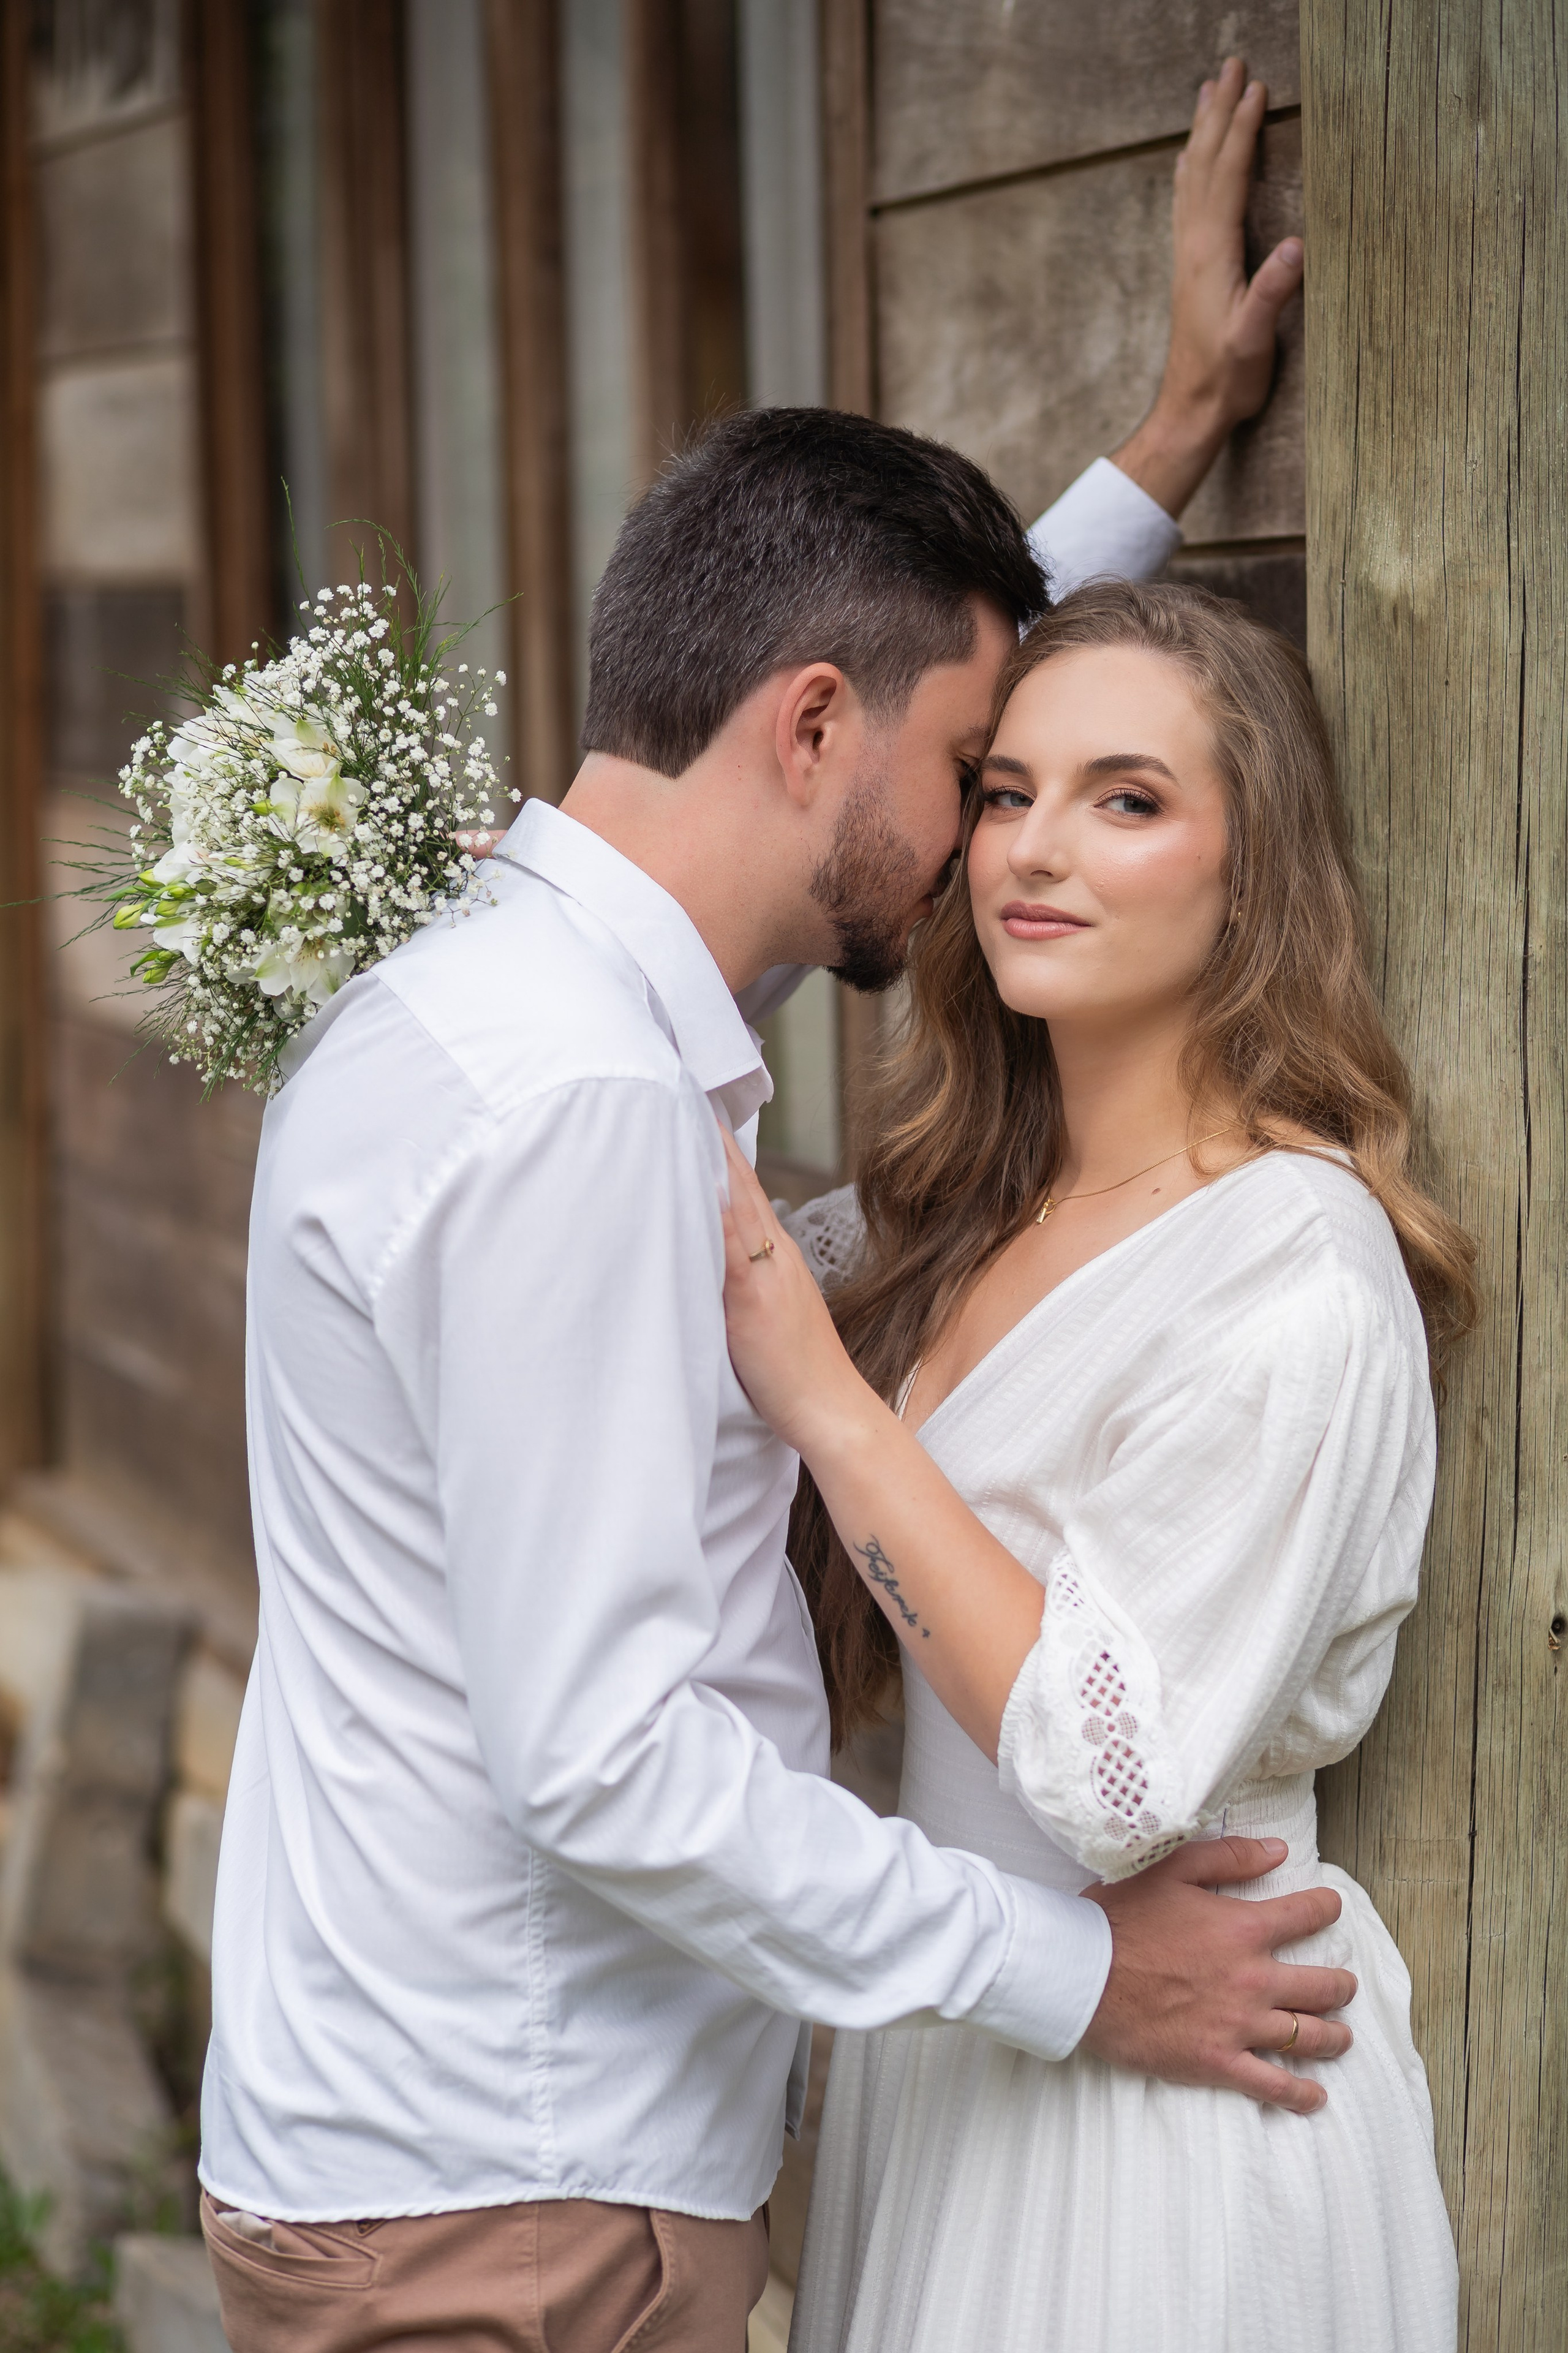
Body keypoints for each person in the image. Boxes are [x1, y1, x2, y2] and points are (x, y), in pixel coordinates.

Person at [198, 64, 1335, 2353]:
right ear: (810, 726)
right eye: (981, 780)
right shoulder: (581, 1107)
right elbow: (612, 1758)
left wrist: (1171, 438)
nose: (1002, 838)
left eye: (1071, 794)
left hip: (449, 2147)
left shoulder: (505, 994)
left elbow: (907, 675)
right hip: (518, 2212)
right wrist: (1075, 1972)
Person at [718, 580, 1475, 2352]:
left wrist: (837, 1409)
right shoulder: (953, 1213)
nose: (1035, 851)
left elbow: (1109, 1773)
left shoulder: (1292, 1274)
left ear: (1253, 868)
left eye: (1127, 799)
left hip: (1172, 2099)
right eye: (1005, 794)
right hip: (964, 2042)